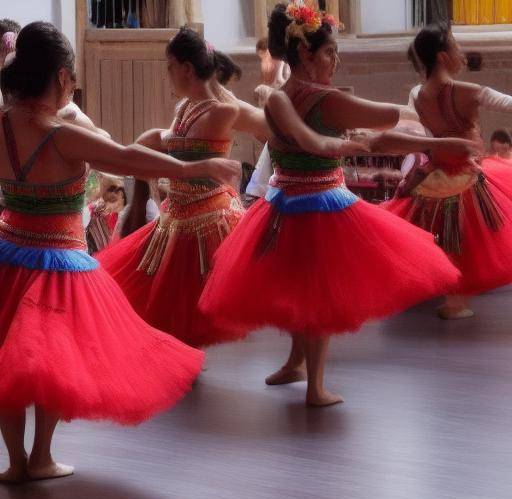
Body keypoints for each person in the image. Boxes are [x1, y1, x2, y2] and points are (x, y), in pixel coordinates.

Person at [0, 22, 239, 484]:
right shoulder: (59, 132)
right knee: (48, 362)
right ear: (62, 78)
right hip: (57, 267)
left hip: (8, 256)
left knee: (9, 362)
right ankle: (42, 457)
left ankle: (15, 461)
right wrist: (199, 165)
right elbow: (129, 159)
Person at [199, 2, 469, 407]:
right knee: (314, 295)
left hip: (284, 203)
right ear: (306, 55)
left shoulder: (283, 94)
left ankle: (297, 362)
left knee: (297, 287)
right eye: (329, 53)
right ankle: (315, 386)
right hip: (317, 204)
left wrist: (435, 139)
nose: (335, 61)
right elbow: (381, 120)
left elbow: (379, 135)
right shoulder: (320, 98)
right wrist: (428, 117)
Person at [98, 27, 255, 348]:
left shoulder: (223, 110)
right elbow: (171, 139)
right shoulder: (185, 107)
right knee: (169, 299)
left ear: (186, 68)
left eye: (169, 66)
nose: (167, 74)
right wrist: (151, 140)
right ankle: (180, 362)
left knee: (191, 300)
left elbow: (174, 141)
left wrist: (151, 140)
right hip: (179, 211)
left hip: (210, 217)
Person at [384, 22, 512, 319]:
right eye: (454, 45)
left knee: (444, 235)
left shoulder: (418, 93)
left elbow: (420, 127)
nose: (459, 52)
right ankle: (456, 301)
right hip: (466, 177)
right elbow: (506, 103)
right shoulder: (469, 91)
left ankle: (451, 298)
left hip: (435, 178)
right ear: (442, 56)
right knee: (466, 240)